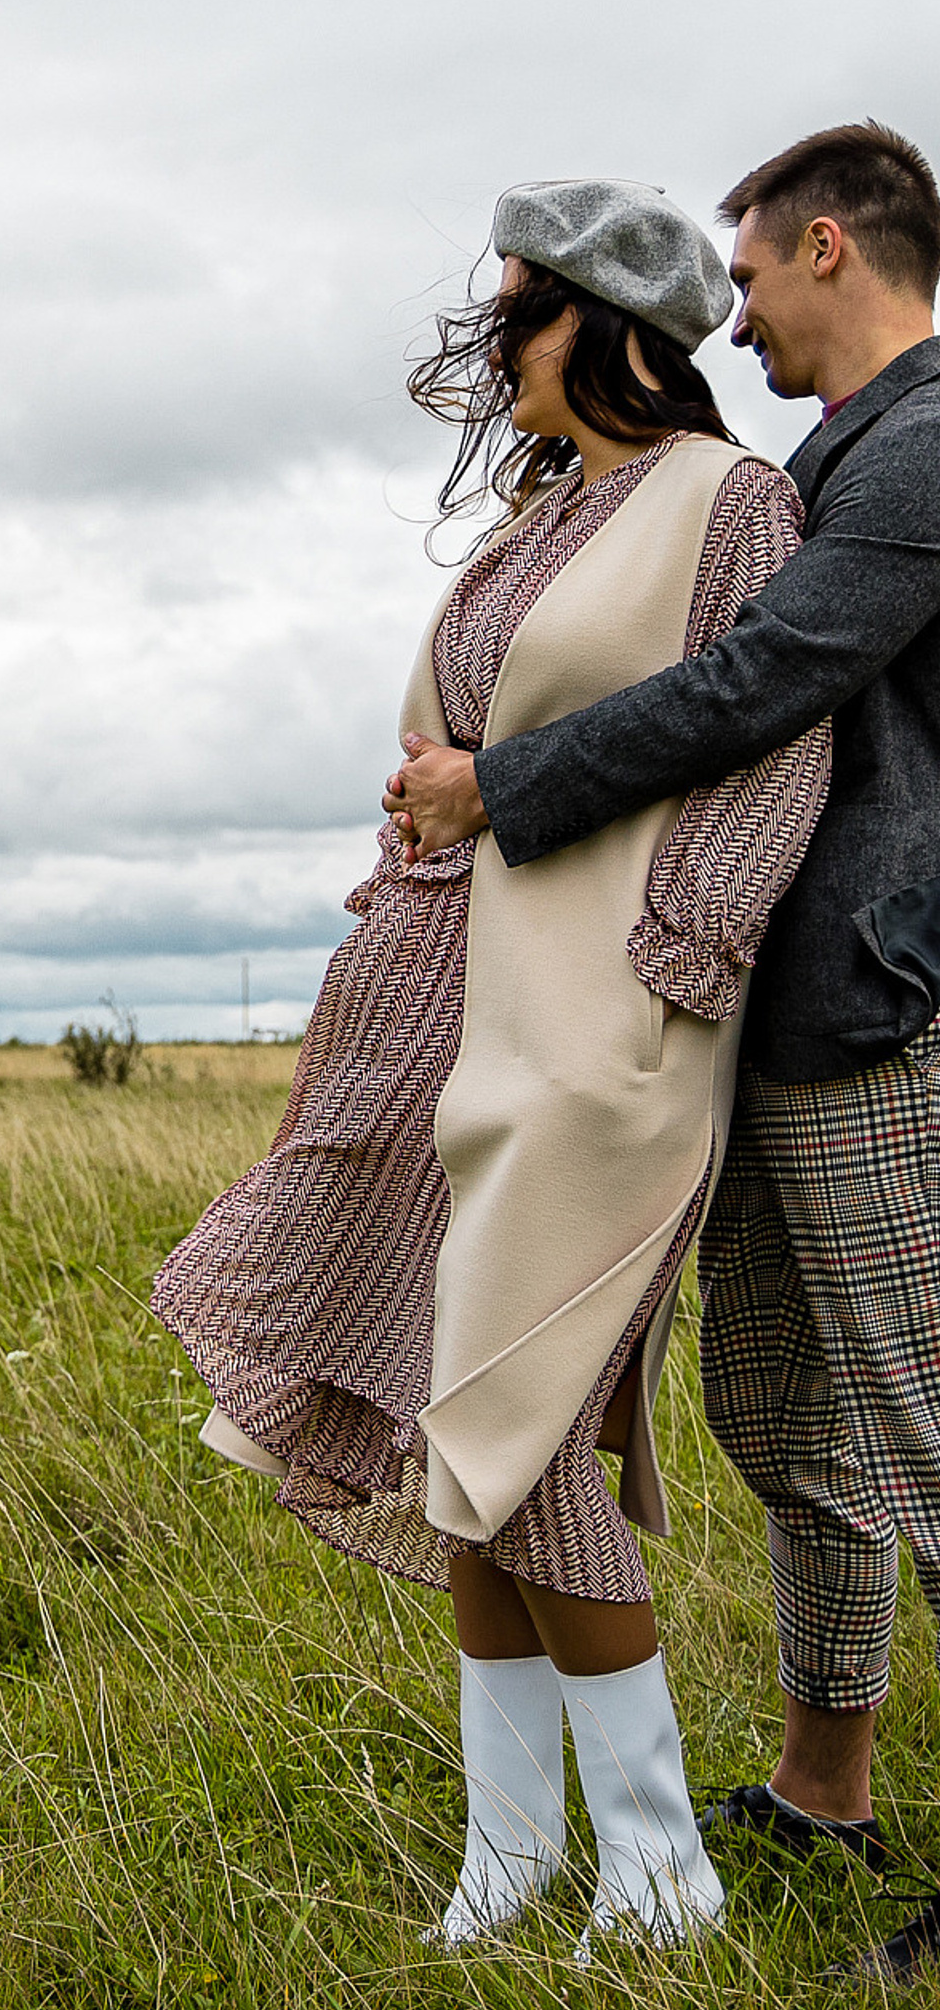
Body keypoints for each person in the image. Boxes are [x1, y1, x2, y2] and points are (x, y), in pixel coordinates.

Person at [156, 178, 831, 1956]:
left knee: (527, 1440)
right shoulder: (543, 516)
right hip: (472, 1018)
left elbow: (775, 749)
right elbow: (447, 738)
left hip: (612, 1038)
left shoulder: (729, 502)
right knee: (475, 1438)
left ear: (609, 327)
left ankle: (663, 1872)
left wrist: (675, 969)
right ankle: (512, 1856)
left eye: (519, 315)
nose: (492, 349)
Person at [388, 122, 940, 1988]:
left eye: (763, 272)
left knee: (925, 1437)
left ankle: (712, 1848)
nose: (745, 310)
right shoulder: (827, 458)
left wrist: (510, 792)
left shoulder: (906, 457)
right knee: (793, 1434)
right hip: (773, 1019)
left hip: (865, 1007)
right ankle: (816, 1791)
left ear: (832, 250)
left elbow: (761, 693)